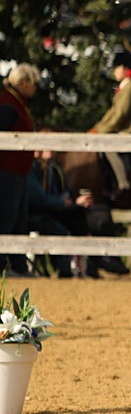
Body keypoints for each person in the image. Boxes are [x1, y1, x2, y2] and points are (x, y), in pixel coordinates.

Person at [27, 147, 130, 277]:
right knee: (60, 226)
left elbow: (64, 192)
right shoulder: (31, 169)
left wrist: (76, 201)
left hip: (57, 208)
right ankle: (71, 267)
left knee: (100, 213)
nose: (50, 149)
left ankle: (105, 256)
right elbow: (40, 199)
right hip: (44, 212)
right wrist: (66, 202)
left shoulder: (53, 168)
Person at [0, 63, 40, 276]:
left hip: (18, 173)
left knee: (18, 219)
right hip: (7, 172)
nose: (35, 88)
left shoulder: (16, 103)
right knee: (6, 219)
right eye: (33, 84)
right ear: (23, 83)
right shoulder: (8, 106)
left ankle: (18, 265)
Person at [89, 50, 131, 194]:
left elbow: (120, 115)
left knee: (107, 147)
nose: (114, 71)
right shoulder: (124, 88)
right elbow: (111, 113)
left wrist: (100, 131)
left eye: (117, 67)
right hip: (120, 130)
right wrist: (97, 128)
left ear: (125, 69)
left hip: (127, 132)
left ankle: (123, 183)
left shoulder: (129, 88)